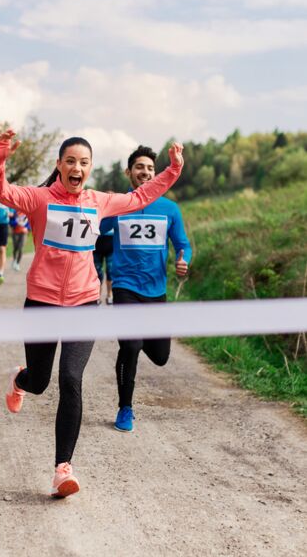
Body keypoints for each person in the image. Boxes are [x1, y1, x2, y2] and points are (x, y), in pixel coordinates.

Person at [0, 131, 184, 498]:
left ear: (89, 169)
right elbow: (0, 190)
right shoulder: (39, 198)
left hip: (83, 303)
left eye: (84, 162)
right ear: (60, 166)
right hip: (43, 303)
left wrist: (172, 170)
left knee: (71, 378)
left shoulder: (99, 202)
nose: (77, 167)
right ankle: (21, 380)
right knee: (41, 381)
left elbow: (141, 195)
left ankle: (63, 469)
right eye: (70, 161)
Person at [99, 145, 192, 432]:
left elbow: (183, 245)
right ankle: (125, 407)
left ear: (157, 173)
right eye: (140, 167)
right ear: (129, 172)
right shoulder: (120, 204)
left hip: (156, 291)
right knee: (131, 345)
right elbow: (98, 230)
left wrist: (182, 260)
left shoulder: (169, 209)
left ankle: (136, 344)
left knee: (161, 357)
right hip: (125, 286)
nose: (146, 172)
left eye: (151, 168)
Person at [93, 229, 114, 304]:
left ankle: (109, 295)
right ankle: (97, 296)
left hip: (111, 240)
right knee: (97, 273)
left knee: (110, 270)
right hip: (96, 240)